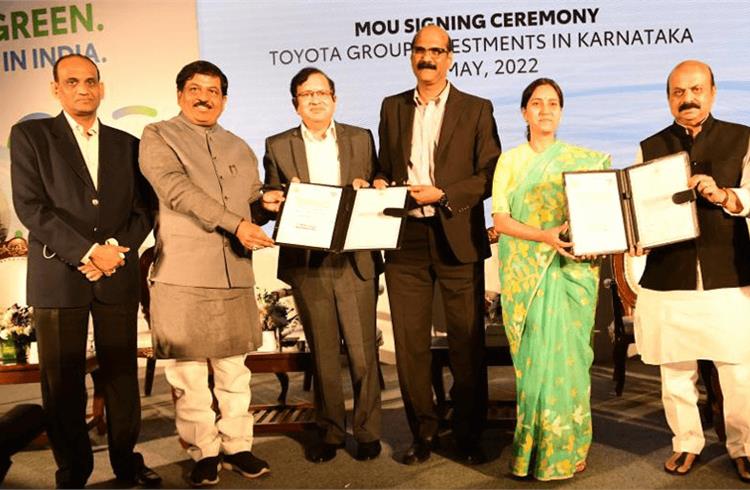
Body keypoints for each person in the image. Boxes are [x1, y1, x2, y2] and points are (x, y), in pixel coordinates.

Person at [9, 54, 160, 488]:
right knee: (62, 384)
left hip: (116, 276)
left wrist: (115, 251)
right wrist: (88, 252)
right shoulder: (31, 136)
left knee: (120, 377)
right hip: (58, 277)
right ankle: (73, 471)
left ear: (102, 87)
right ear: (55, 88)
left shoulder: (127, 143)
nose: (83, 89)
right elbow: (31, 208)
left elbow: (144, 209)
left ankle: (127, 461)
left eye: (91, 81)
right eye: (72, 81)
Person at [139, 60, 272, 487]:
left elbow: (251, 201)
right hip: (183, 272)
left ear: (225, 100)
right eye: (195, 89)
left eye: (213, 91)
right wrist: (237, 224)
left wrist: (269, 204)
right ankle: (204, 450)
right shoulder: (158, 136)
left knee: (235, 370)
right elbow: (175, 190)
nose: (204, 97)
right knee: (189, 374)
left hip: (234, 271)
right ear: (180, 95)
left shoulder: (239, 145)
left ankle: (238, 446)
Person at [374, 24, 501, 465]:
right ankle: (422, 433)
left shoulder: (477, 108)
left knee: (467, 343)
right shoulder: (392, 107)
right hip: (405, 236)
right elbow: (384, 166)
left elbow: (488, 174)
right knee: (409, 344)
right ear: (412, 56)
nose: (426, 57)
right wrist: (378, 181)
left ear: (450, 58)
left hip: (456, 234)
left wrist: (444, 193)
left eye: (436, 51)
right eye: (419, 50)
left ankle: (467, 435)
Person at [632, 60, 750, 483]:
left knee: (738, 370)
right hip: (669, 274)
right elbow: (638, 210)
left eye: (696, 89)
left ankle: (744, 446)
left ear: (713, 92)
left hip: (729, 272)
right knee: (676, 371)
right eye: (678, 93)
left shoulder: (743, 137)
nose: (688, 99)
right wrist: (634, 235)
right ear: (668, 99)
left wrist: (725, 195)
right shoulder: (649, 147)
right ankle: (686, 443)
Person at [262, 67, 383, 463]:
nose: (315, 100)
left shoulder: (361, 138)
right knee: (324, 354)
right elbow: (271, 197)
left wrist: (375, 186)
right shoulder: (278, 145)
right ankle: (331, 431)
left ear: (334, 98)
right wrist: (276, 199)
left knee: (364, 354)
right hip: (309, 264)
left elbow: (378, 178)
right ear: (295, 103)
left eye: (322, 92)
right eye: (305, 94)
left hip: (355, 259)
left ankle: (367, 431)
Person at [492, 78, 610, 480]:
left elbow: (599, 214)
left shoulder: (583, 162)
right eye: (537, 103)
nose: (545, 110)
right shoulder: (509, 161)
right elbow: (502, 220)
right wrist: (543, 235)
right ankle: (532, 451)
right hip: (528, 274)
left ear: (561, 111)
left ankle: (570, 447)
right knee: (534, 367)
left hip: (570, 273)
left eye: (553, 103)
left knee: (571, 363)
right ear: (524, 112)